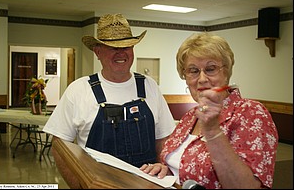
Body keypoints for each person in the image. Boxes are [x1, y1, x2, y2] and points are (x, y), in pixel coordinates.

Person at [43, 13, 176, 188]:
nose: (121, 53)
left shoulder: (150, 87)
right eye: (113, 47)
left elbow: (163, 139)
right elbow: (60, 148)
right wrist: (79, 185)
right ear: (97, 51)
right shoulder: (78, 90)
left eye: (127, 46)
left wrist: (164, 168)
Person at [140, 32, 279, 189]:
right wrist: (166, 171)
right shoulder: (189, 117)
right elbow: (182, 167)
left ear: (226, 72)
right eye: (193, 71)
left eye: (211, 69)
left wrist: (212, 131)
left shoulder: (251, 114)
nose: (202, 79)